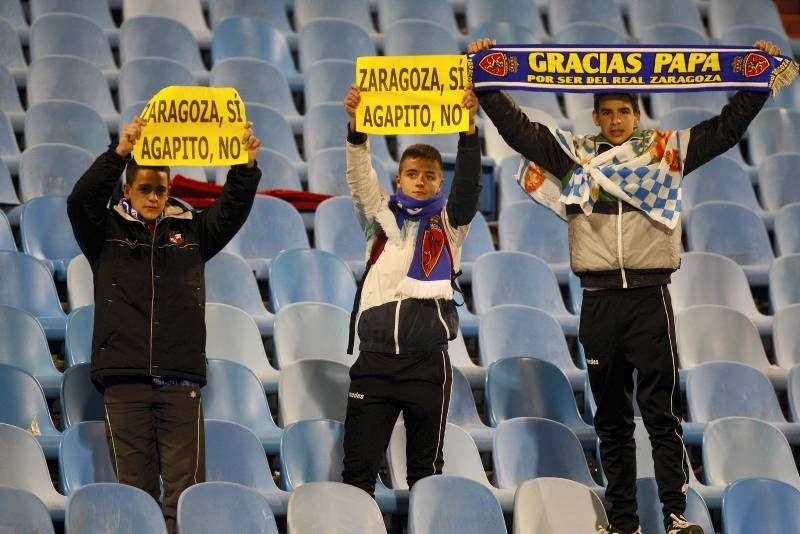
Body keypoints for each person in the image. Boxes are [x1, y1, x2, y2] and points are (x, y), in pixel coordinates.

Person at [469, 38, 785, 534]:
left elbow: (725, 131)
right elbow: (520, 133)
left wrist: (757, 77)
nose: (616, 120)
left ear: (636, 114)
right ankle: (623, 523)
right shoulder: (575, 157)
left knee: (662, 416)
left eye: (624, 111)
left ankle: (677, 515)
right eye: (607, 113)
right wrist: (488, 80)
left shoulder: (663, 153)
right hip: (598, 302)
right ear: (596, 118)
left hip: (649, 299)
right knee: (611, 420)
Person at [67, 117, 262, 533]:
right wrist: (118, 154)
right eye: (145, 189)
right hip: (124, 381)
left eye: (161, 189)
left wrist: (245, 167)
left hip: (180, 381)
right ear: (127, 190)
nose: (154, 197)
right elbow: (80, 201)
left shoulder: (192, 231)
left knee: (186, 495)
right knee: (135, 496)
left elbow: (230, 211)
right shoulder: (103, 231)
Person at [340, 84, 481, 495]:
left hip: (427, 368)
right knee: (357, 473)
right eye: (413, 174)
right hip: (375, 364)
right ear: (399, 178)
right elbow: (359, 177)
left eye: (430, 176)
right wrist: (356, 128)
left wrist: (469, 133)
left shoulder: (451, 224)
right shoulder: (379, 219)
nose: (420, 182)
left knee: (425, 477)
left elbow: (469, 187)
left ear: (439, 183)